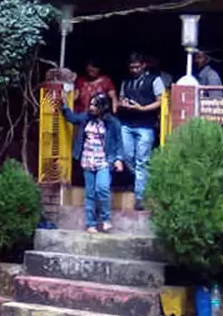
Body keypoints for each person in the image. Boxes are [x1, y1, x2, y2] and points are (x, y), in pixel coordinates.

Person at [58, 92, 124, 233]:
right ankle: (90, 224)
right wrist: (64, 105)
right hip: (87, 160)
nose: (92, 107)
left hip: (104, 161)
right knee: (90, 193)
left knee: (103, 189)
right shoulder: (86, 118)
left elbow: (119, 142)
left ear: (103, 107)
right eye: (91, 104)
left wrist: (118, 159)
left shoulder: (113, 123)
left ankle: (105, 219)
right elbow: (71, 118)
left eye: (95, 105)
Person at [118, 52, 165, 211]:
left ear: (144, 65)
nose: (134, 70)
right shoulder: (126, 81)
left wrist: (142, 108)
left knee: (142, 160)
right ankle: (143, 181)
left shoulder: (155, 80)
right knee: (125, 156)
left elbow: (161, 102)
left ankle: (139, 196)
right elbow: (120, 98)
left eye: (137, 67)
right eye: (131, 67)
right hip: (127, 123)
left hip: (146, 125)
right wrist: (123, 103)